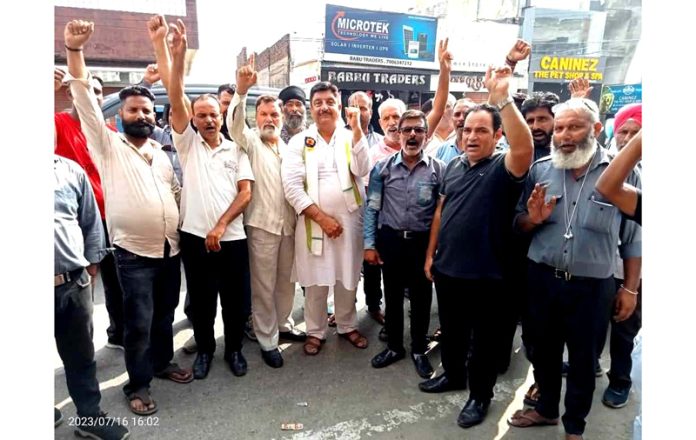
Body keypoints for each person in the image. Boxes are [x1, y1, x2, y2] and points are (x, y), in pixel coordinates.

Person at [65, 19, 191, 416]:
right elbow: (84, 99)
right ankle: (137, 385)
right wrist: (75, 52)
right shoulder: (108, 145)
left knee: (165, 314)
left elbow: (173, 194)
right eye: (134, 109)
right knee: (138, 324)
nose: (143, 115)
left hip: (170, 250)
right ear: (120, 116)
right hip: (133, 254)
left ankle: (161, 362)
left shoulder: (161, 152)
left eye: (148, 110)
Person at [508, 98, 641, 440]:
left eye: (575, 127)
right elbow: (518, 223)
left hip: (593, 287)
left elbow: (633, 239)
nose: (564, 135)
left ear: (596, 130)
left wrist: (629, 289)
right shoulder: (541, 170)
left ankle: (574, 427)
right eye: (561, 127)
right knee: (542, 351)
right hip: (542, 279)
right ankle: (547, 409)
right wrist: (531, 220)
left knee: (583, 362)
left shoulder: (621, 172)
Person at [419, 58, 535, 431]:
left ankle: (479, 396)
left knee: (484, 344)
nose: (471, 136)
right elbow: (441, 212)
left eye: (481, 131)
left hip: (488, 276)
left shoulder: (505, 168)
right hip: (449, 269)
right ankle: (452, 375)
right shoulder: (452, 167)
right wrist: (431, 254)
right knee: (452, 333)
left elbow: (525, 149)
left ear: (497, 135)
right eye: (467, 129)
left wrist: (502, 99)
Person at [155, 18, 255, 379]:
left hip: (231, 238)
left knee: (234, 301)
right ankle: (205, 352)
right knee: (201, 301)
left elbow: (246, 193)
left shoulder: (236, 150)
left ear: (221, 117)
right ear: (192, 120)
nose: (209, 119)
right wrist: (177, 54)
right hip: (196, 237)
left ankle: (234, 351)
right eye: (202, 115)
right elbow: (176, 92)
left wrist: (222, 224)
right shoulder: (187, 144)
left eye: (214, 113)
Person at [229, 55, 307, 369]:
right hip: (261, 227)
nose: (269, 118)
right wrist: (241, 91)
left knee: (286, 282)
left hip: (289, 227)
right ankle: (267, 339)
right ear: (256, 117)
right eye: (263, 114)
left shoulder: (289, 147)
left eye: (273, 113)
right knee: (262, 287)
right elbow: (233, 124)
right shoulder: (249, 140)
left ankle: (284, 324)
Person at [281, 81, 370, 355]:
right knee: (316, 281)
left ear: (339, 106)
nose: (324, 107)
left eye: (329, 102)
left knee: (347, 277)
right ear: (311, 108)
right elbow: (292, 187)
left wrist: (357, 131)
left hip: (350, 222)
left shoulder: (350, 136)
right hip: (313, 223)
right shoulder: (300, 141)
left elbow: (363, 168)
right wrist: (322, 219)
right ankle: (315, 330)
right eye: (317, 103)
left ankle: (346, 325)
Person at [364, 110, 445, 378]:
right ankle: (395, 346)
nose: (412, 135)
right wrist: (370, 244)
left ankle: (419, 349)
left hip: (423, 243)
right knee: (394, 296)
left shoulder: (438, 170)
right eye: (407, 129)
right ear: (398, 133)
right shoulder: (382, 169)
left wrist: (436, 250)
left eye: (418, 130)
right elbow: (372, 208)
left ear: (425, 134)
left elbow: (441, 213)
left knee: (422, 298)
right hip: (392, 241)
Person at [54, 155, 130, 439]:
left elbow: (91, 222)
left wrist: (91, 266)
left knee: (81, 355)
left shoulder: (70, 170)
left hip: (72, 283)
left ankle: (90, 417)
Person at [54, 67, 126, 351]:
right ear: (72, 93)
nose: (93, 97)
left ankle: (117, 334)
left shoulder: (107, 132)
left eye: (97, 92)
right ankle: (83, 349)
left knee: (116, 281)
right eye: (86, 90)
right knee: (83, 286)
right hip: (76, 223)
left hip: (109, 219)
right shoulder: (58, 123)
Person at [348, 90, 386, 325]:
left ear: (371, 112)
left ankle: (373, 305)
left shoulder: (381, 142)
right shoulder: (340, 139)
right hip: (347, 213)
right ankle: (342, 308)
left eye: (364, 108)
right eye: (355, 107)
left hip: (373, 213)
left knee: (372, 263)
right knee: (347, 263)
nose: (359, 112)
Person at [434, 98, 477, 164]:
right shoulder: (443, 149)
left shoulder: (481, 148)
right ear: (452, 119)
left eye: (466, 114)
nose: (461, 118)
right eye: (457, 115)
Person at [520, 92, 561, 161]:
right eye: (530, 121)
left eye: (542, 119)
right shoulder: (517, 157)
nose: (535, 127)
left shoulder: (570, 154)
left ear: (556, 119)